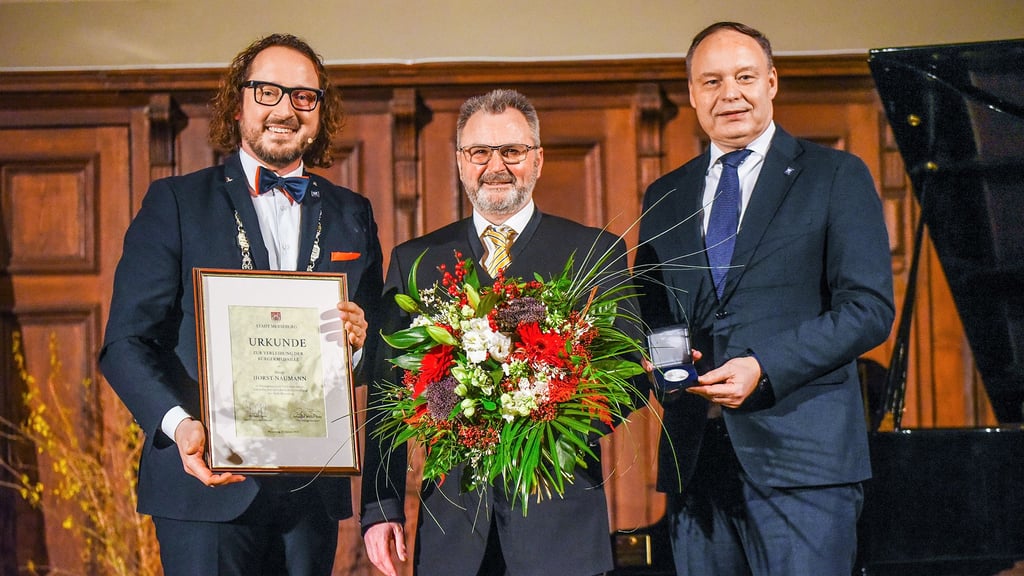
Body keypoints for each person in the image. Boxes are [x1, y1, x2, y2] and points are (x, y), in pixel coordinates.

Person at [99, 33, 383, 576]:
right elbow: (125, 344)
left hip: (311, 492)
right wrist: (181, 426)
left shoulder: (353, 212)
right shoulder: (177, 202)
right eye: (268, 91)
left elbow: (374, 357)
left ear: (320, 113)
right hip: (202, 486)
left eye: (304, 96)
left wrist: (356, 346)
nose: (285, 109)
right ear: (237, 105)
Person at [635, 22, 895, 575]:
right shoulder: (665, 195)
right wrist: (662, 362)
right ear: (691, 94)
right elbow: (652, 314)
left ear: (772, 82)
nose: (729, 94)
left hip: (804, 465)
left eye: (745, 77)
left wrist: (764, 365)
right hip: (697, 464)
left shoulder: (834, 175)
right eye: (711, 81)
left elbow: (868, 309)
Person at [361, 88, 636, 576]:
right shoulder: (416, 261)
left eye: (512, 151)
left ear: (538, 158)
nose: (496, 166)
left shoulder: (596, 252)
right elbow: (387, 392)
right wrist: (380, 510)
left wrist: (543, 416)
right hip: (451, 530)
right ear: (461, 162)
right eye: (479, 152)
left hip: (559, 524)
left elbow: (631, 377)